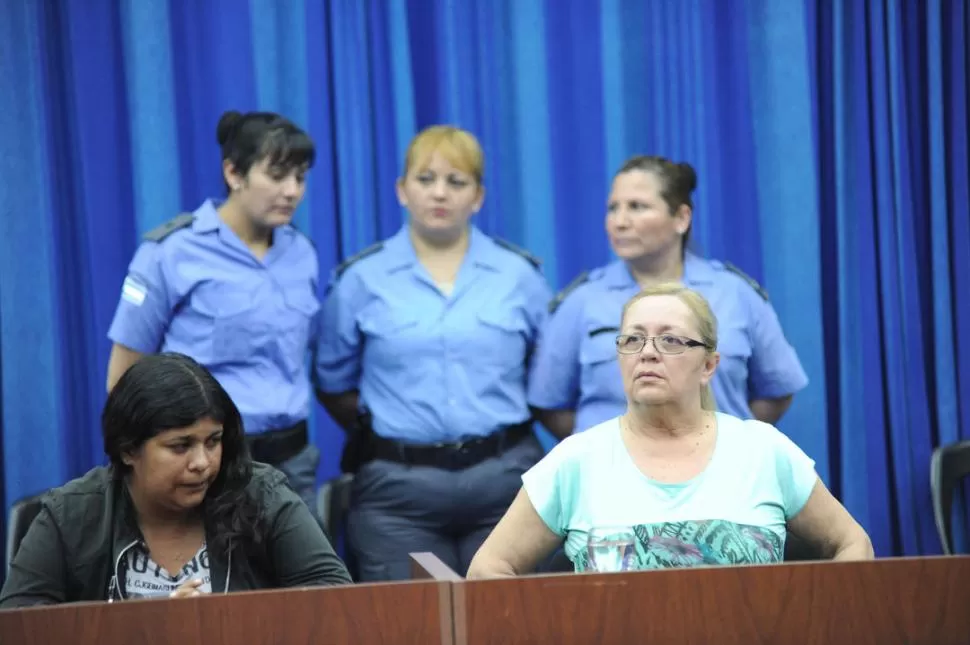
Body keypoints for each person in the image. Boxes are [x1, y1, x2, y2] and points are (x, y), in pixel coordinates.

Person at [467, 284, 872, 577]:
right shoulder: (576, 460)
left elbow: (854, 544)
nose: (647, 352)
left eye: (671, 340)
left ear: (709, 365)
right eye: (633, 339)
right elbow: (488, 569)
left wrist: (818, 621)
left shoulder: (762, 450)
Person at [315, 125, 551, 581]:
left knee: (515, 625)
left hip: (505, 484)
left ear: (478, 196)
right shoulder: (360, 280)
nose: (439, 193)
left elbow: (545, 380)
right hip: (398, 495)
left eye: (456, 181)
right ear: (402, 190)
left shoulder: (520, 276)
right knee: (408, 626)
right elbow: (333, 384)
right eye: (425, 179)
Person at [0, 353, 351, 608]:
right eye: (180, 446)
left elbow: (335, 599)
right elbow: (19, 623)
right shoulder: (71, 514)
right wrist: (144, 626)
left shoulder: (261, 495)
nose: (202, 463)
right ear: (127, 450)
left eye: (213, 442)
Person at [105, 110, 322, 513]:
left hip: (291, 461)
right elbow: (124, 377)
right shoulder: (171, 253)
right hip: (203, 465)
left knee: (307, 577)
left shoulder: (302, 254)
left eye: (301, 177)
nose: (291, 190)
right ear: (234, 173)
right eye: (277, 175)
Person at [528, 156, 808, 439]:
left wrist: (726, 441)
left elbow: (777, 389)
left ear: (681, 218)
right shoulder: (582, 301)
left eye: (637, 207)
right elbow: (550, 405)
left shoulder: (734, 294)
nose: (619, 222)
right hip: (614, 476)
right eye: (613, 208)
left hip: (719, 472)